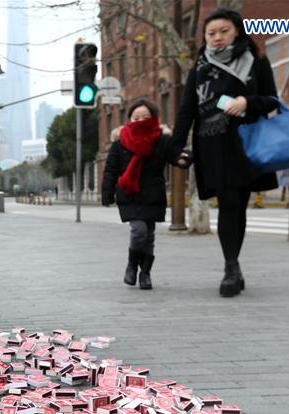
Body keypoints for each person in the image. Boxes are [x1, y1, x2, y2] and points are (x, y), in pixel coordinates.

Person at [172, 7, 279, 297]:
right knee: (228, 201)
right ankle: (231, 266)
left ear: (237, 31)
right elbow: (186, 112)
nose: (217, 37)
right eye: (211, 33)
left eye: (224, 31)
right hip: (213, 145)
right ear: (204, 37)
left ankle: (232, 265)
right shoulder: (199, 69)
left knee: (237, 204)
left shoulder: (256, 62)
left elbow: (271, 100)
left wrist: (246, 102)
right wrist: (176, 146)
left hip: (245, 143)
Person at [102, 98, 191, 290]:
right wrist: (107, 193)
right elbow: (111, 169)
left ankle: (145, 274)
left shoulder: (162, 140)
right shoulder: (120, 142)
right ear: (130, 119)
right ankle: (132, 265)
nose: (140, 120)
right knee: (139, 231)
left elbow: (176, 156)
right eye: (136, 117)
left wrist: (185, 159)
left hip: (152, 194)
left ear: (153, 118)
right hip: (129, 194)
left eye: (144, 117)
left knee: (149, 236)